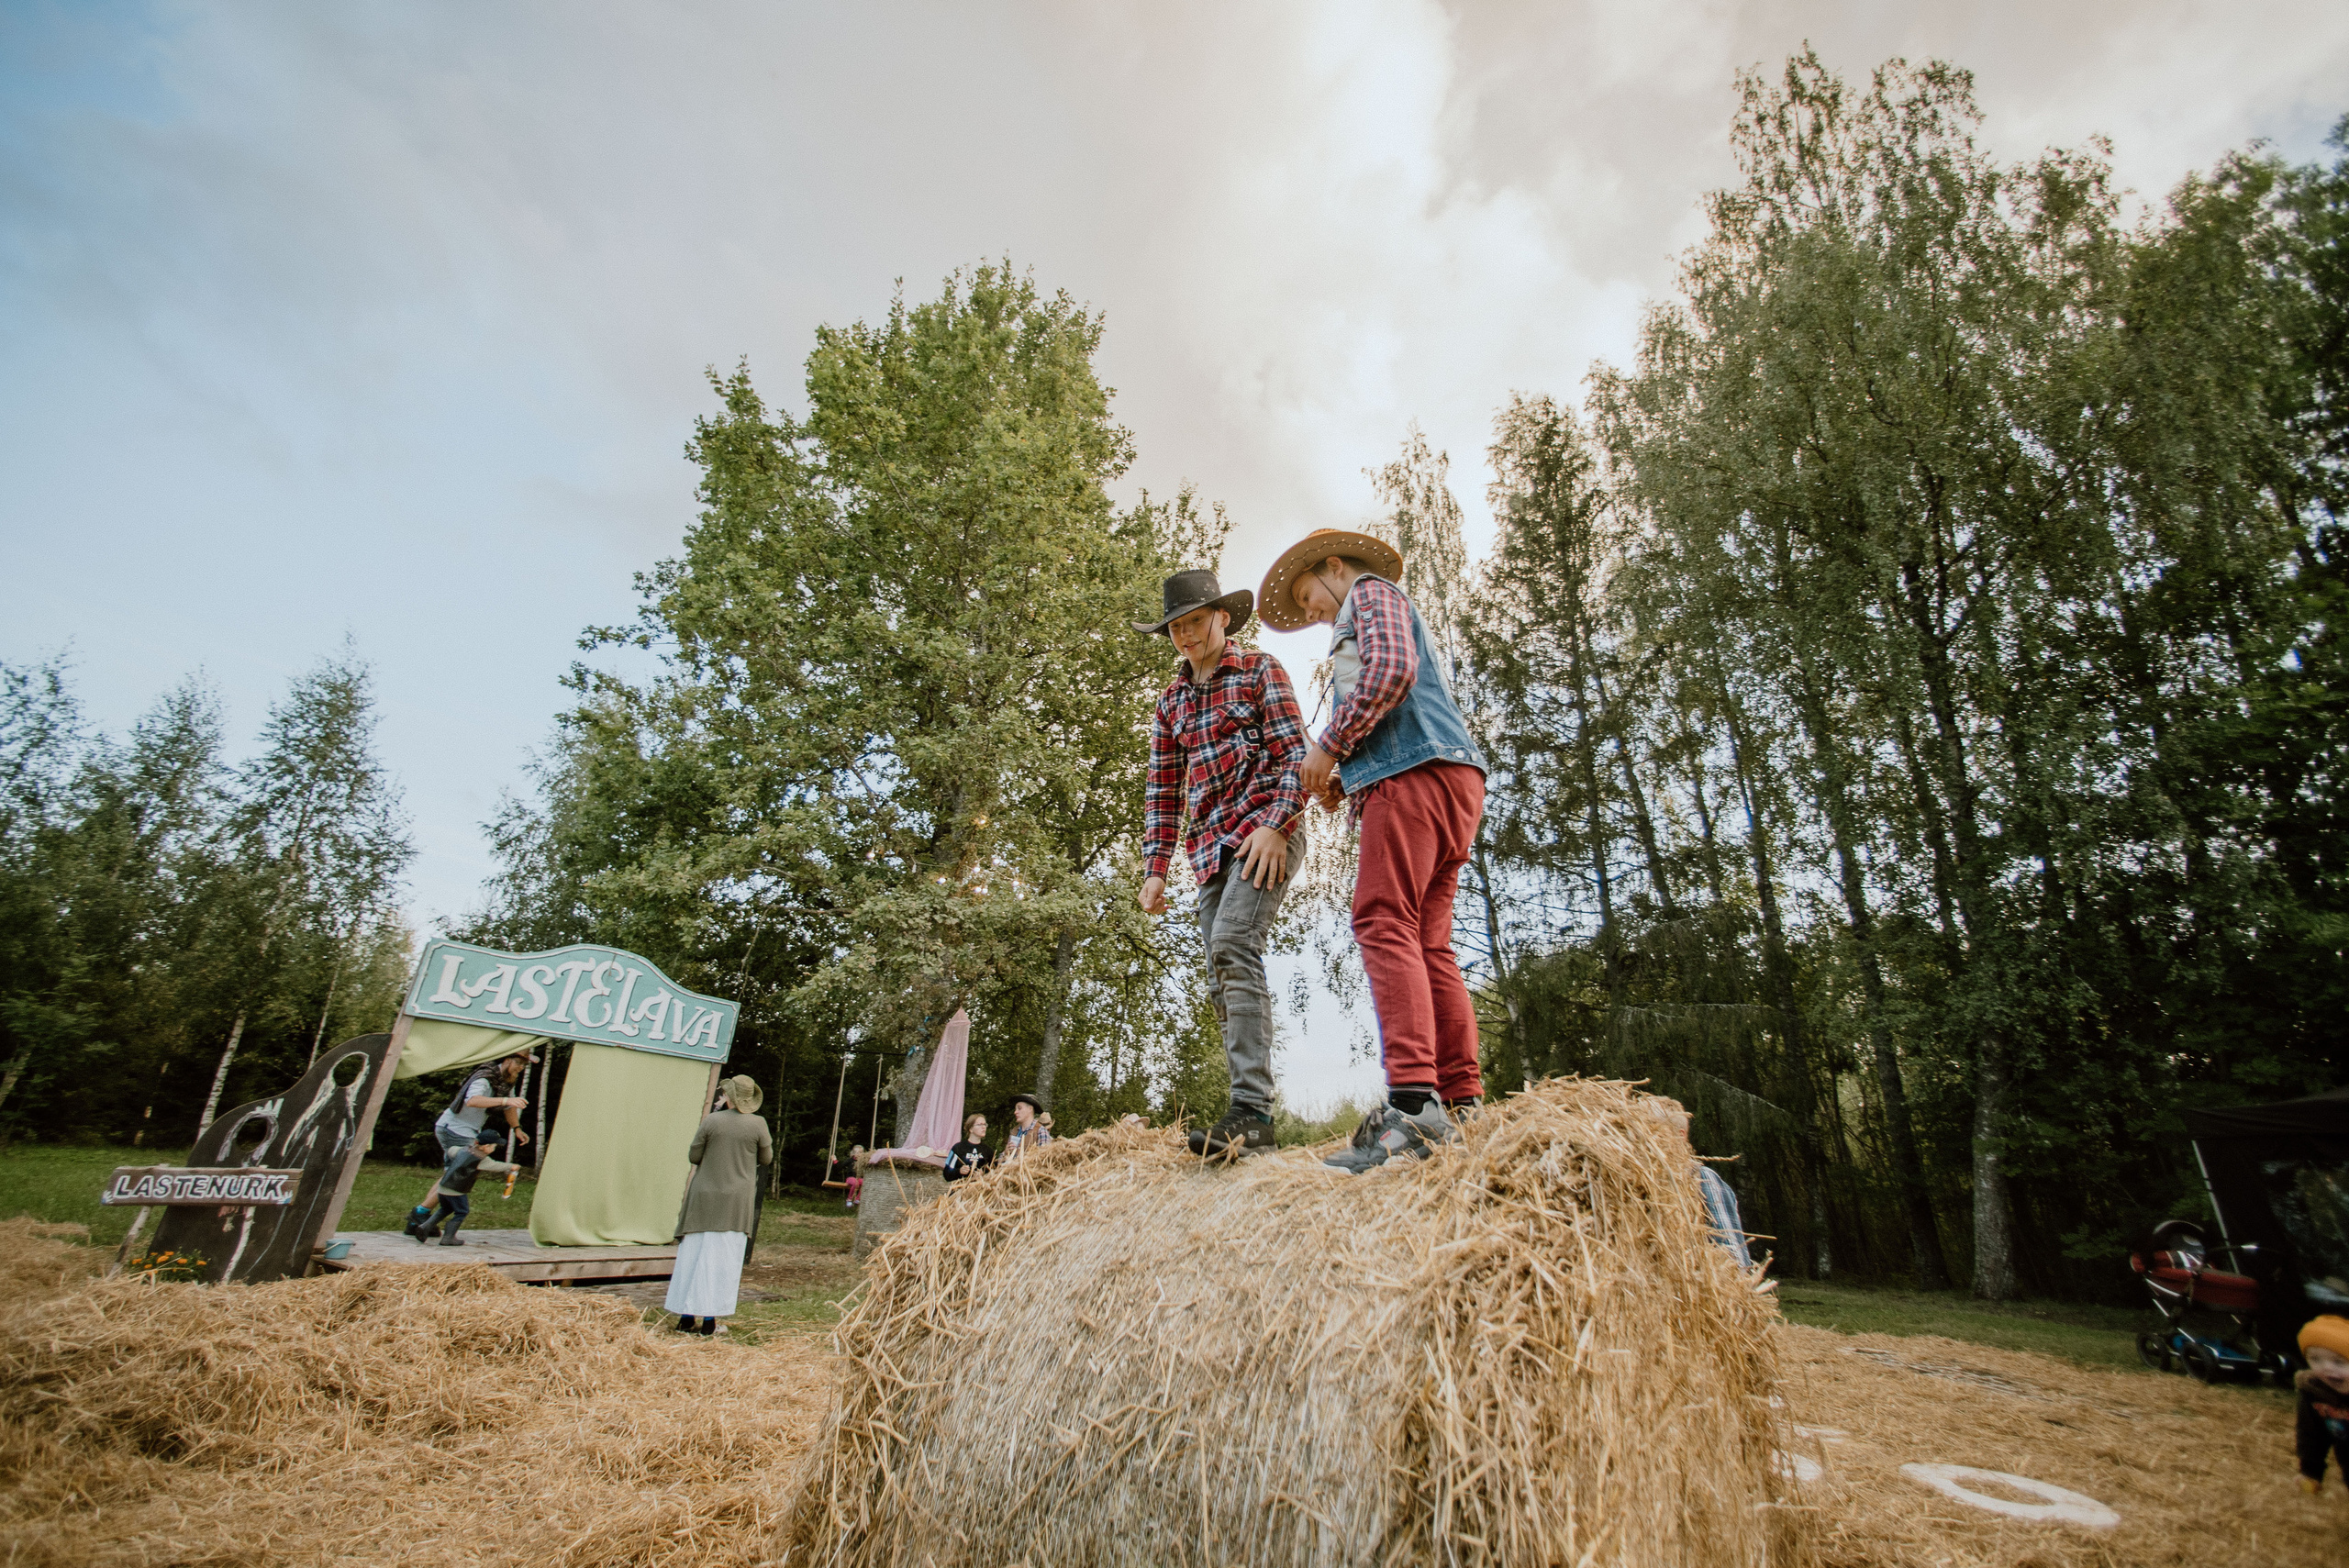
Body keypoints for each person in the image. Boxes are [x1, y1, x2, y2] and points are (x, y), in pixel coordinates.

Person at [1258, 530, 1488, 1173]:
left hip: (1412, 776)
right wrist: (1343, 772)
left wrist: (1330, 742)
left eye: (1311, 599)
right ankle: (1462, 1099)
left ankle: (1413, 1106)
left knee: (1382, 919)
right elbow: (1392, 694)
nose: (1315, 615)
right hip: (1451, 778)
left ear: (1335, 567)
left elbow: (1389, 670)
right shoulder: (1372, 601)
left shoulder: (1369, 592)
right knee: (1428, 942)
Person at [1134, 567, 1309, 1159]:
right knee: (1218, 971)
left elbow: (1295, 757)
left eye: (1195, 623)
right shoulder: (1170, 704)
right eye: (1176, 628)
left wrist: (1275, 826)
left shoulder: (1261, 670)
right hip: (1210, 850)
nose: (1186, 636)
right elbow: (1163, 790)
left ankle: (1253, 1113)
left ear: (1222, 618)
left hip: (1266, 831)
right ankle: (1243, 1107)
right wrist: (1155, 868)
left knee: (1235, 942)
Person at [667, 1073, 774, 1337]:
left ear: (729, 1096)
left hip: (703, 1198)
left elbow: (694, 1156)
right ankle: (710, 1323)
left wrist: (715, 1117)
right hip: (735, 1202)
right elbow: (766, 1158)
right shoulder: (758, 1124)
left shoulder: (712, 1121)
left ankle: (685, 1318)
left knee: (693, 1255)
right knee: (722, 1260)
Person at [406, 1049, 533, 1235]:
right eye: (519, 1063)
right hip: (455, 1128)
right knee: (455, 1178)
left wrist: (517, 1128)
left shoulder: (503, 1082)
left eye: (524, 1065)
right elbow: (473, 1101)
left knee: (451, 1176)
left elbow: (508, 1106)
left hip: (462, 1129)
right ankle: (420, 1216)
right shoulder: (484, 1078)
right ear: (507, 1060)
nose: (521, 1068)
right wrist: (506, 1099)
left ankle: (419, 1218)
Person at [1643, 1098, 1755, 1267]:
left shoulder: (1702, 1179)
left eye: (1652, 1131)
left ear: (1679, 1136)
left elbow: (1734, 1261)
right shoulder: (1640, 1183)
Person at [406, 1132, 518, 1247]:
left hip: (443, 1187)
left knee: (445, 1209)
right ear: (486, 1147)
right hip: (456, 1190)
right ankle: (448, 1238)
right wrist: (511, 1166)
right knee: (462, 1211)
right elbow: (495, 1166)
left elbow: (451, 1150)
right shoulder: (481, 1159)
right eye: (494, 1146)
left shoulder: (463, 1150)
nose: (494, 1149)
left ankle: (424, 1227)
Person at [2297, 1315, 2349, 1494]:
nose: (2326, 1368)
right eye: (2316, 1360)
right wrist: (2311, 1472)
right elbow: (2311, 1434)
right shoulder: (2315, 1393)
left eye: (2339, 1362)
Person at [1001, 1093, 1052, 1162]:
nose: (1015, 1112)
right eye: (1015, 1109)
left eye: (1019, 1108)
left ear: (1030, 1109)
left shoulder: (1041, 1131)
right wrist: (1006, 1153)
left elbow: (1045, 1160)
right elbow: (1000, 1161)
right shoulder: (1014, 1131)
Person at [943, 1114, 993, 1182]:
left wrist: (984, 1174)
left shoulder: (988, 1151)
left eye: (985, 1124)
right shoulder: (958, 1148)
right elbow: (946, 1174)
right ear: (971, 1129)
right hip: (961, 1189)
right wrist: (959, 1171)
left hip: (980, 1189)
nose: (983, 1127)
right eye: (980, 1124)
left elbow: (994, 1173)